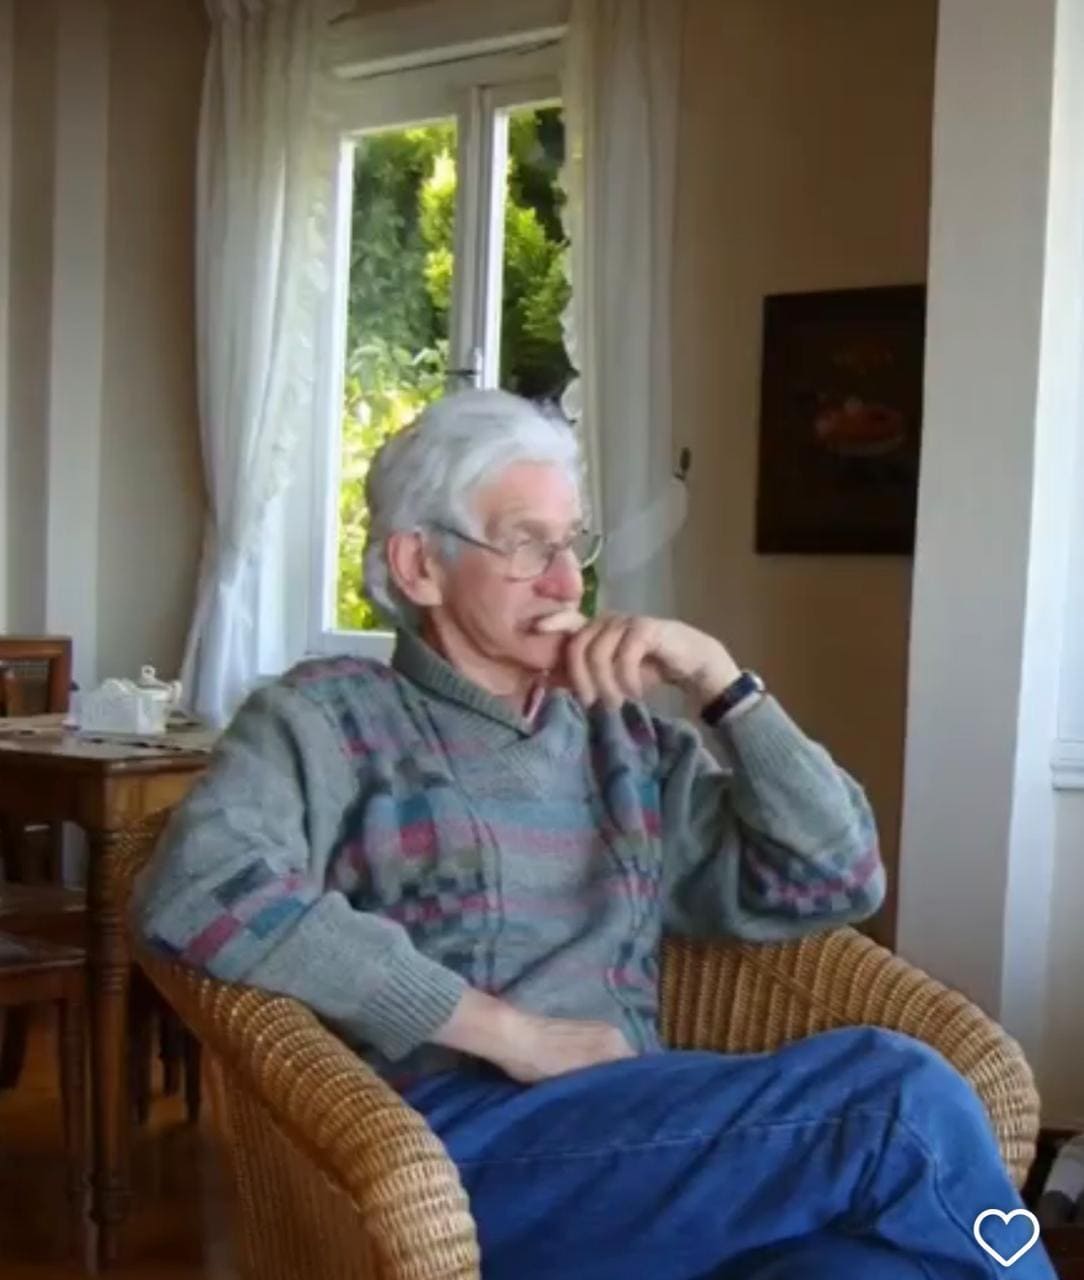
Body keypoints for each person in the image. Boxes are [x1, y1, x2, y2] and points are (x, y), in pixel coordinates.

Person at [133, 389, 1052, 1279]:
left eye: (571, 543)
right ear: (419, 567)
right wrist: (511, 1034)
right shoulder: (326, 716)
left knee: (867, 1267)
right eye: (526, 544)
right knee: (898, 1100)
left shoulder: (624, 741)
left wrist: (724, 687)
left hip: (644, 1144)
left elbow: (837, 879)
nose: (567, 580)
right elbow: (196, 889)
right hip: (444, 1159)